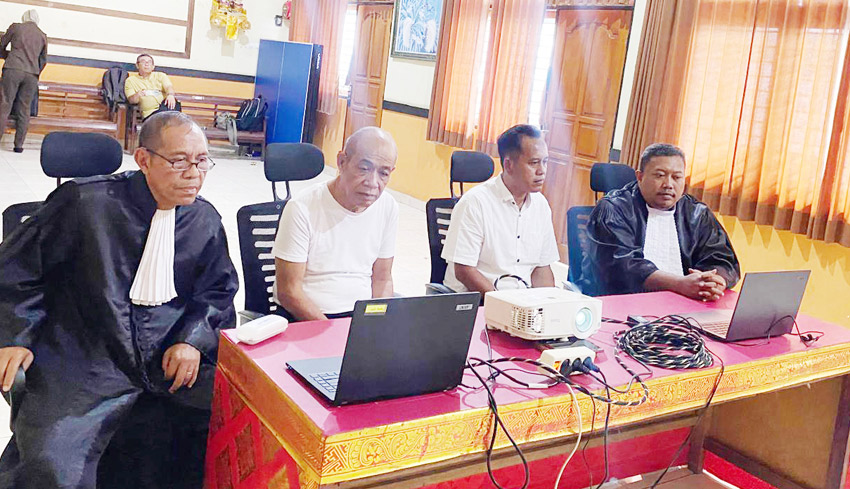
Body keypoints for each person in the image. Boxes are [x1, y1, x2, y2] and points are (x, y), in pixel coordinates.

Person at [0, 111, 239, 489]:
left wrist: (192, 340)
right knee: (54, 462)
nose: (193, 173)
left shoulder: (204, 219)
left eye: (202, 161)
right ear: (144, 159)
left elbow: (218, 291)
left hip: (165, 357)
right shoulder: (85, 203)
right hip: (87, 356)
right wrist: (14, 336)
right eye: (178, 161)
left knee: (235, 423)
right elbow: (18, 270)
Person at [582, 143, 740, 300]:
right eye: (659, 175)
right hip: (621, 303)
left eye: (676, 177)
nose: (668, 185)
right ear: (640, 177)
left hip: (685, 303)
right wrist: (680, 284)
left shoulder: (697, 213)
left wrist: (715, 281)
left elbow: (723, 259)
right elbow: (623, 267)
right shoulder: (613, 209)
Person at [272, 126, 398, 321]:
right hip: (307, 318)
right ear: (342, 162)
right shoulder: (301, 208)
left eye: (383, 173)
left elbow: (382, 278)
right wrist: (332, 333)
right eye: (364, 169)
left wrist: (374, 324)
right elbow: (289, 292)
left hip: (358, 318)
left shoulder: (387, 206)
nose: (373, 182)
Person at [441, 124, 560, 294]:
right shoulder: (475, 203)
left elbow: (541, 269)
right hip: (478, 302)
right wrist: (503, 305)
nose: (542, 171)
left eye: (545, 162)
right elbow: (464, 270)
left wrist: (548, 305)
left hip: (521, 306)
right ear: (509, 165)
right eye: (534, 163)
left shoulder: (541, 206)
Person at [0, 9, 47, 153]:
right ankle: (18, 145)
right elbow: (43, 60)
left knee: (4, 104)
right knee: (24, 109)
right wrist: (34, 70)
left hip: (13, 69)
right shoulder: (42, 35)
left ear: (24, 17)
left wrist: (8, 57)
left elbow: (1, 45)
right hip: (32, 74)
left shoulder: (16, 27)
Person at [124, 53, 178, 120]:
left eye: (149, 62)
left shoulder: (161, 76)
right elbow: (131, 100)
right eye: (143, 62)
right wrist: (137, 95)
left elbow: (168, 87)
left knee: (172, 107)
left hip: (166, 108)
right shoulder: (131, 80)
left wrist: (170, 95)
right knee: (168, 116)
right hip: (150, 115)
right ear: (137, 65)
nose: (147, 64)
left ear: (153, 66)